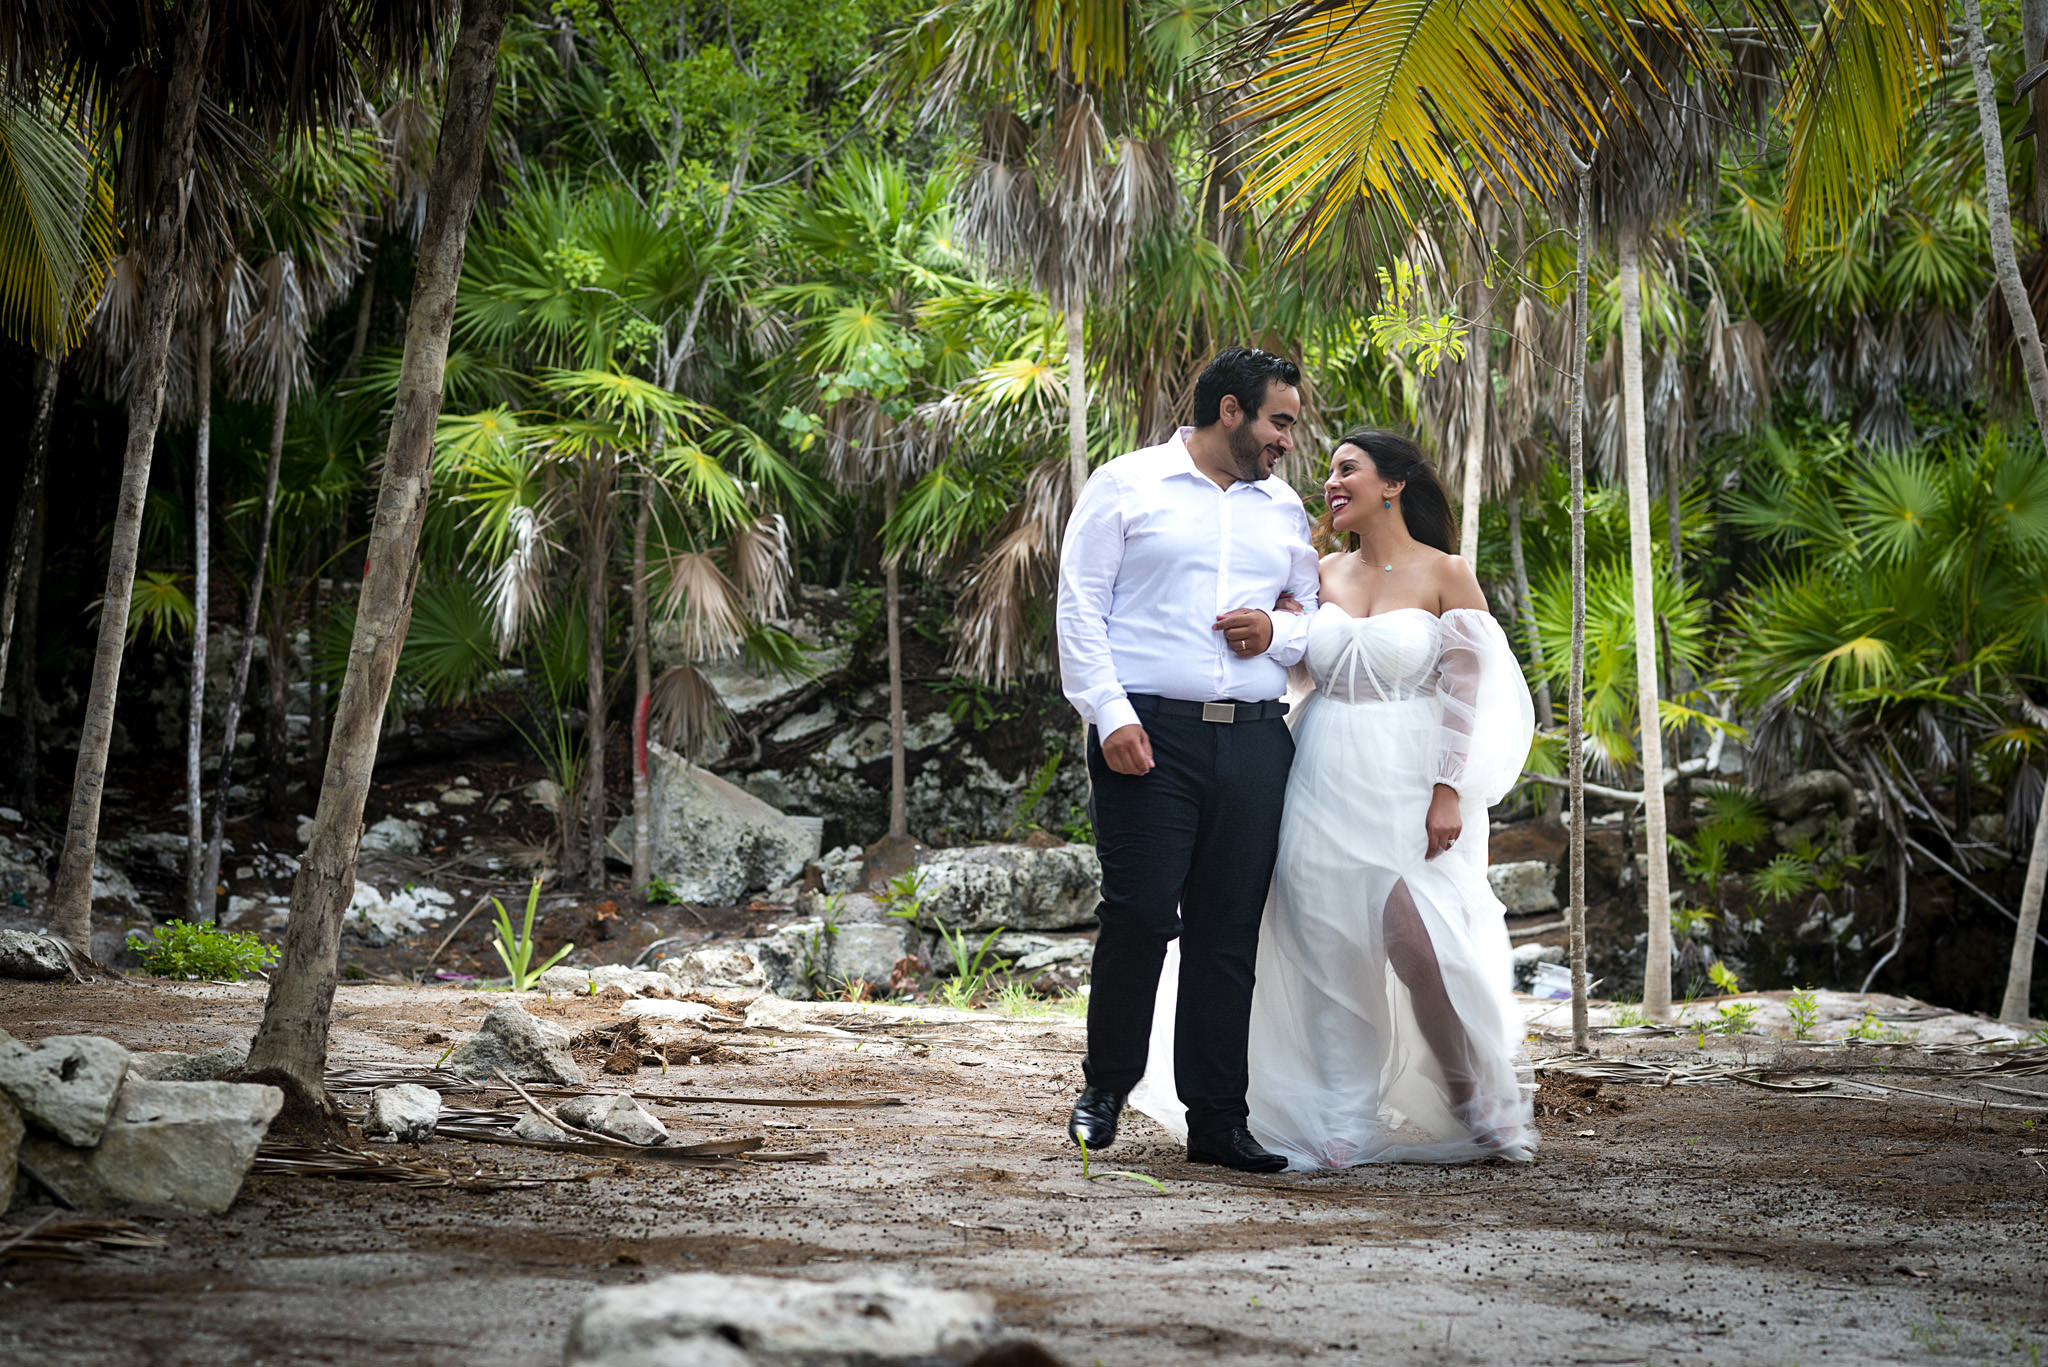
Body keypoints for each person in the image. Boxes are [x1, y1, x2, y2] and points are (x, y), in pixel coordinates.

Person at [1126, 429, 1540, 1166]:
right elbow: (1289, 658)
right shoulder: (1317, 574)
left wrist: (1450, 789)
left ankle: (1472, 1093)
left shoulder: (1447, 571)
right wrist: (1269, 631)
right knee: (1325, 940)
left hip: (1410, 772)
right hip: (1317, 765)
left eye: (1348, 469)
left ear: (1394, 484)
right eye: (1329, 472)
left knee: (1423, 944)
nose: (1331, 482)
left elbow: (1469, 690)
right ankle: (1343, 1108)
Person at [1056, 346, 1321, 1174]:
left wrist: (1278, 631)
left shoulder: (1284, 511)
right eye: (1280, 421)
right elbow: (1079, 605)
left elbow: (1310, 615)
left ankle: (1217, 1118)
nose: (1287, 441)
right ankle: (1106, 1087)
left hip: (1252, 737)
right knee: (1138, 915)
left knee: (1227, 929)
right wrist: (1108, 712)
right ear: (1232, 411)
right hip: (1149, 737)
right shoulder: (1126, 484)